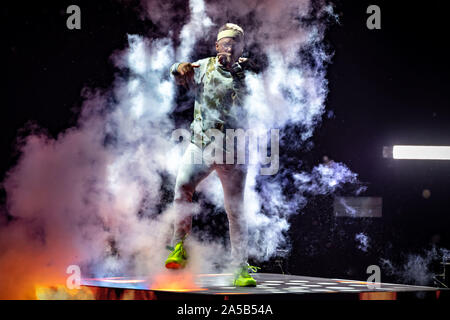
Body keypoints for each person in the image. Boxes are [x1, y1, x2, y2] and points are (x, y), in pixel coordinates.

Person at [165, 23, 259, 287]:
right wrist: (179, 66)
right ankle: (178, 248)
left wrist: (243, 68)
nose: (228, 48)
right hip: (201, 147)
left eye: (234, 44)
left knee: (236, 210)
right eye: (224, 43)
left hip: (234, 151)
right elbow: (177, 71)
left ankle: (240, 269)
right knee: (182, 188)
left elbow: (269, 88)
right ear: (217, 46)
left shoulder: (249, 73)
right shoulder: (203, 66)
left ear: (241, 47)